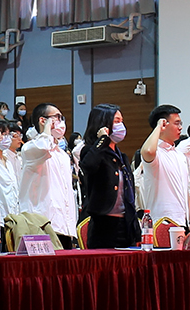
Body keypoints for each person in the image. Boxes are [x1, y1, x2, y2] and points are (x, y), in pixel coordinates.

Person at [16, 102, 78, 246]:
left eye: (62, 118)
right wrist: (47, 130)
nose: (61, 122)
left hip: (64, 226)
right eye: (57, 117)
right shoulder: (30, 148)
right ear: (43, 120)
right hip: (41, 226)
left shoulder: (62, 155)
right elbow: (43, 148)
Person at [77, 103, 136, 249]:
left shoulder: (121, 156)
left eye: (121, 121)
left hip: (125, 223)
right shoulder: (91, 151)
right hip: (103, 224)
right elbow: (89, 166)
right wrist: (102, 139)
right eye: (116, 121)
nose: (121, 125)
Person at [138, 105, 189, 229]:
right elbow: (148, 151)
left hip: (182, 221)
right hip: (160, 221)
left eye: (180, 123)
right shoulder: (157, 153)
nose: (180, 127)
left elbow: (185, 189)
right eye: (176, 123)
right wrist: (158, 127)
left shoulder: (179, 155)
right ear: (164, 125)